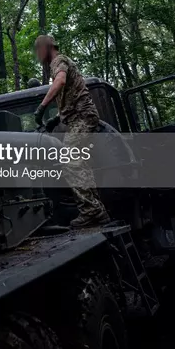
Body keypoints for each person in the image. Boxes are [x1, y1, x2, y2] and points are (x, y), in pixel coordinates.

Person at [32, 35, 110, 228]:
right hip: (79, 116)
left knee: (70, 160)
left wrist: (42, 107)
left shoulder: (58, 61)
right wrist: (56, 118)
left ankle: (91, 211)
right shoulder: (62, 61)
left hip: (81, 117)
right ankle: (97, 211)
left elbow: (60, 82)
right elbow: (73, 94)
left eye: (38, 49)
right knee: (80, 163)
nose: (37, 54)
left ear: (47, 47)